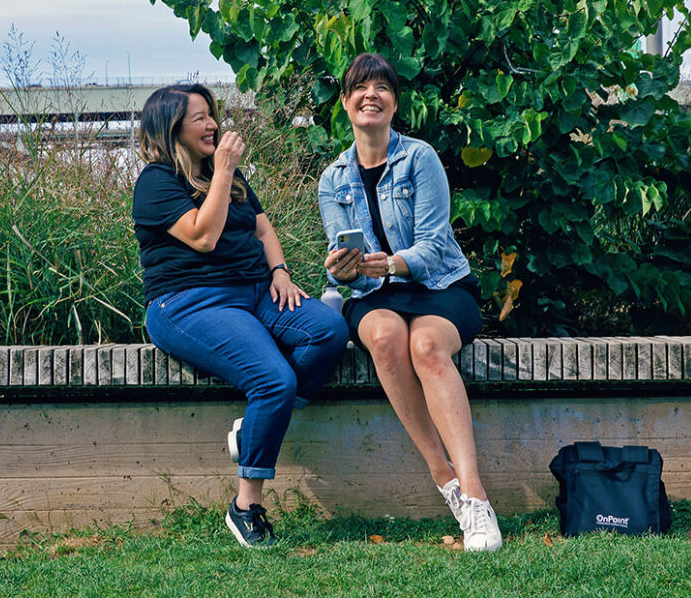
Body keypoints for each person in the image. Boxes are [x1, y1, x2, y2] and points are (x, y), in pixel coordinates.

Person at [132, 83, 349, 548]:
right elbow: (203, 236)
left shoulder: (225, 171)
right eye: (200, 118)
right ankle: (245, 506)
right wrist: (226, 169)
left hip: (255, 290)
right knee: (273, 380)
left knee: (329, 329)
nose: (213, 124)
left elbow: (261, 226)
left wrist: (280, 270)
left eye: (212, 114)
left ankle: (257, 424)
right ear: (172, 128)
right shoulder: (156, 181)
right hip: (189, 302)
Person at [318, 53, 502, 552]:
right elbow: (343, 255)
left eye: (381, 87)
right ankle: (446, 482)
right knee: (382, 336)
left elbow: (436, 244)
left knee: (425, 348)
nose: (370, 94)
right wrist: (342, 268)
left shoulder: (419, 158)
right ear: (345, 103)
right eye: (359, 88)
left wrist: (394, 263)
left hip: (439, 286)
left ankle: (477, 500)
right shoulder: (332, 180)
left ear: (395, 103)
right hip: (375, 293)